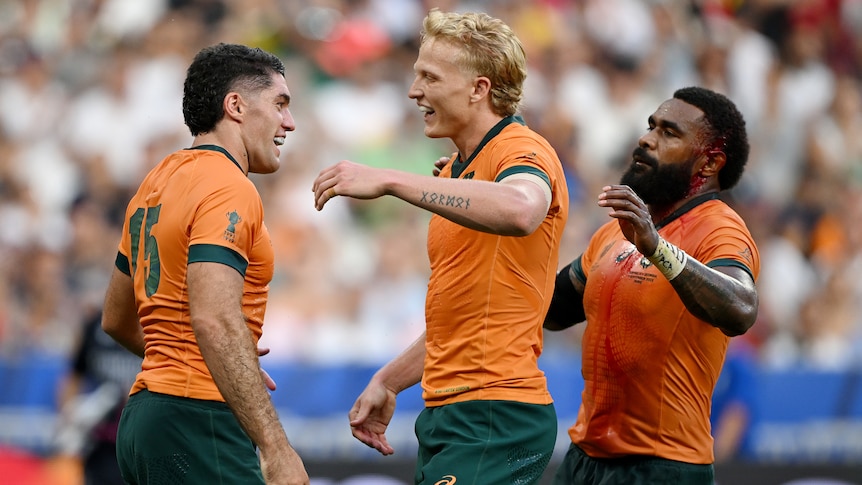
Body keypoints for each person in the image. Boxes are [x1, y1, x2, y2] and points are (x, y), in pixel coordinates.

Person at [312, 8, 569, 485]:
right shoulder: (455, 172)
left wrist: (389, 178)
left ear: (479, 88)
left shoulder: (522, 149)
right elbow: (463, 317)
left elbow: (521, 208)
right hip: (452, 413)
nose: (414, 92)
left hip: (498, 412)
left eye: (430, 77)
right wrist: (389, 381)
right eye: (416, 76)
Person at [101, 42, 309, 485]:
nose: (289, 122)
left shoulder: (155, 182)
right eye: (280, 104)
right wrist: (277, 448)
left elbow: (116, 319)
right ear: (235, 105)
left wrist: (228, 361)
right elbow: (214, 319)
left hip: (144, 418)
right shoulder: (229, 186)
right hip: (198, 416)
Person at [544, 86, 760, 485]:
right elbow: (553, 313)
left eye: (669, 133)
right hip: (584, 461)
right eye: (651, 126)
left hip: (663, 467)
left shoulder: (720, 228)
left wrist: (657, 249)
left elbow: (741, 309)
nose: (646, 139)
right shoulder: (615, 232)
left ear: (710, 162)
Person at [54, 309, 142, 485]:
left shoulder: (158, 322)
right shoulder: (95, 324)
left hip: (140, 442)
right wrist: (70, 418)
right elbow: (73, 376)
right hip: (101, 442)